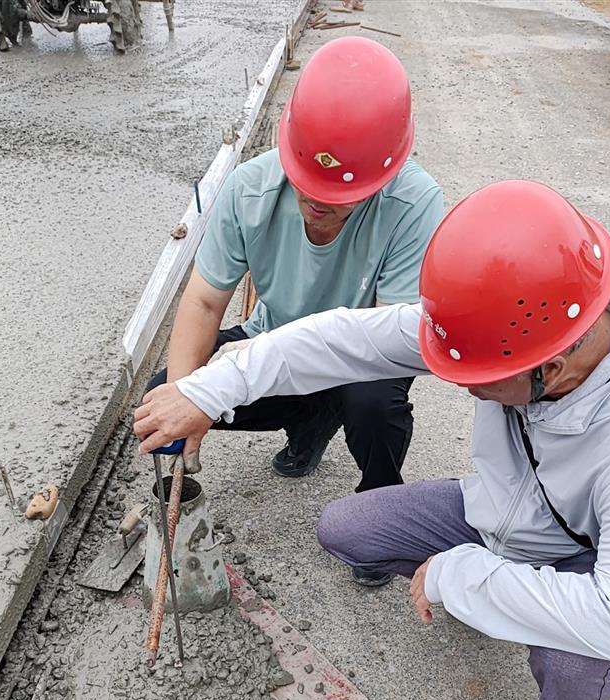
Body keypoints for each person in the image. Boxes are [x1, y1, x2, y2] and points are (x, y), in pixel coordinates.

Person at [134, 179, 610, 700]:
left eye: (480, 384)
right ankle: (494, 590)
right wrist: (207, 390)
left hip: (583, 560)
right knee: (345, 529)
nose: (465, 391)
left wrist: (460, 577)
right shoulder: (505, 320)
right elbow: (340, 339)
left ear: (553, 368)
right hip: (496, 515)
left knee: (573, 659)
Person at [148, 36, 443, 585]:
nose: (320, 204)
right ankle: (310, 426)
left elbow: (395, 338)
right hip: (273, 342)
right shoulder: (249, 190)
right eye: (309, 189)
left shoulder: (413, 203)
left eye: (340, 197)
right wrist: (187, 404)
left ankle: (380, 510)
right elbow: (205, 301)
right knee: (163, 390)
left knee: (374, 403)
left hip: (362, 361)